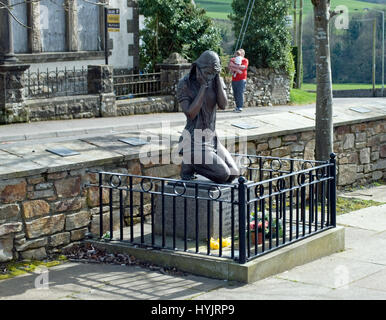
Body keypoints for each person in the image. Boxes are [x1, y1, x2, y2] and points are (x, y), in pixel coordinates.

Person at [176, 50, 240, 184]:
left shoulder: (215, 80)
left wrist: (216, 79)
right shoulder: (185, 83)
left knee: (234, 173)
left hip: (212, 139)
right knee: (223, 174)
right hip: (193, 141)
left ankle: (192, 164)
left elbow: (223, 105)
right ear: (197, 68)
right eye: (207, 73)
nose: (210, 76)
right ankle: (190, 163)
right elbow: (190, 113)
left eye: (213, 73)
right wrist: (203, 86)